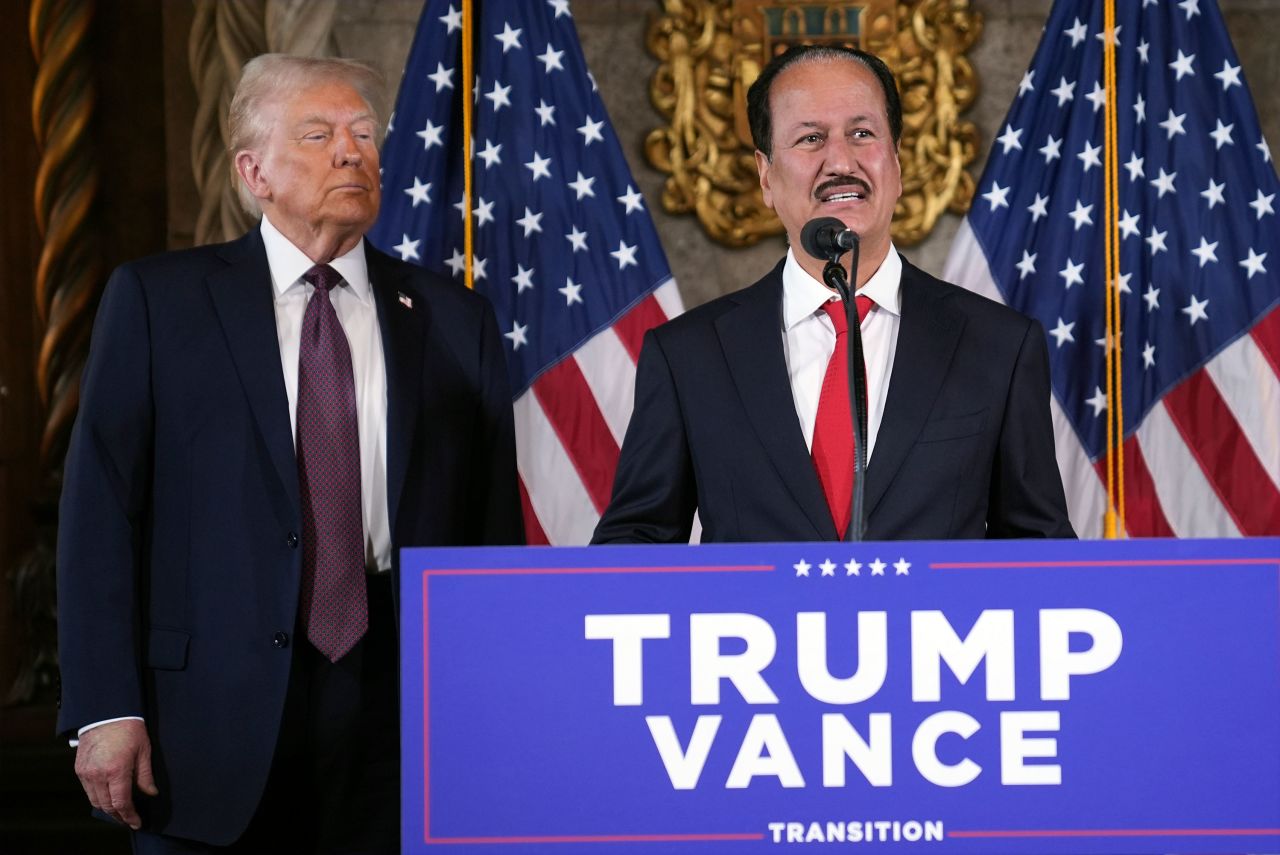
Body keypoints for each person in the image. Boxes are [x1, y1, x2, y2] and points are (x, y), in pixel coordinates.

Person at [56, 54, 522, 853]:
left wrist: (495, 707)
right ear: (253, 171)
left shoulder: (453, 317)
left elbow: (490, 530)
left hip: (401, 714)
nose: (353, 152)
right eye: (319, 133)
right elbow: (100, 511)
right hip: (202, 721)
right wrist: (105, 707)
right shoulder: (159, 302)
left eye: (366, 134)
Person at [593, 45, 1074, 543]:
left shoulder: (999, 346)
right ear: (765, 176)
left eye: (862, 133)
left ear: (896, 161)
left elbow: (1040, 552)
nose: (840, 160)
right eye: (811, 138)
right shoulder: (687, 356)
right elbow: (634, 547)